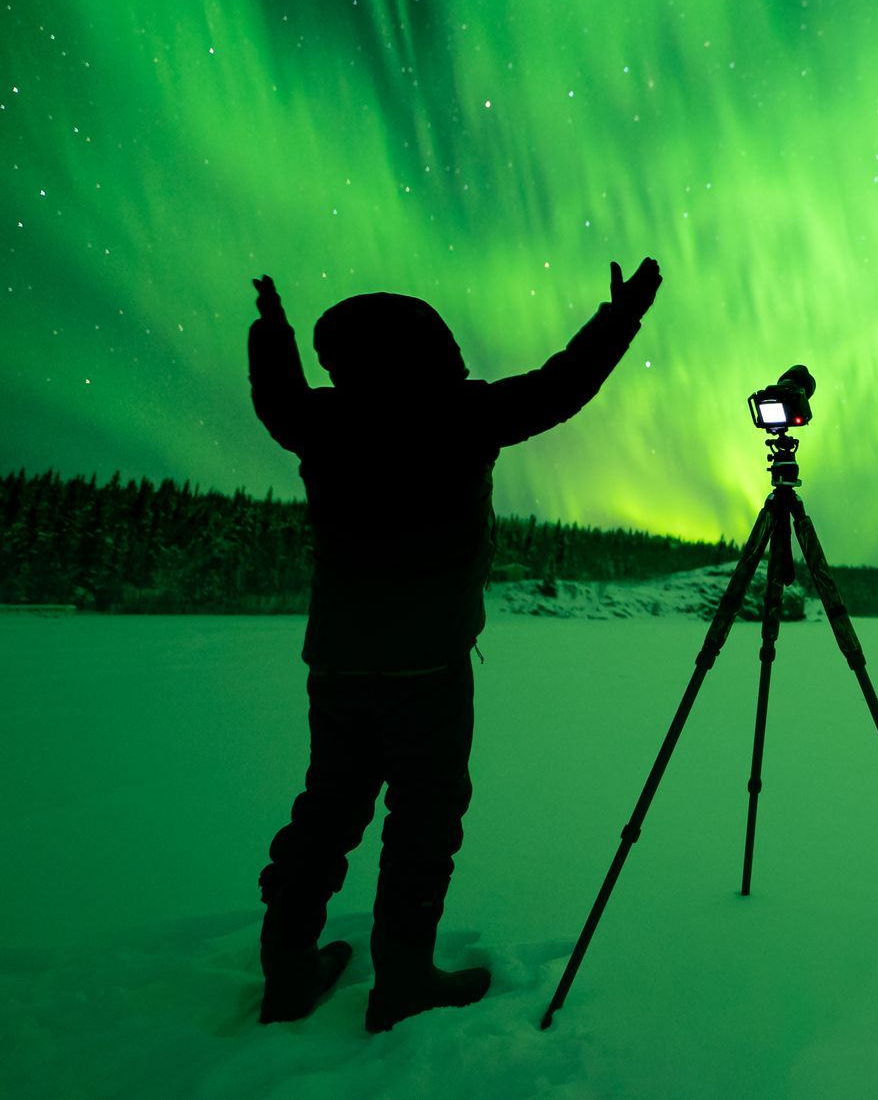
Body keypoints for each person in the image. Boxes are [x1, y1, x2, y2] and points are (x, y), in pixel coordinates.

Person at [247, 259, 663, 1031]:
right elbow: (563, 385)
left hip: (337, 663)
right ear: (429, 346)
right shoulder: (460, 415)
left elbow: (274, 397)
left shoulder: (321, 420)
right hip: (429, 668)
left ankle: (287, 974)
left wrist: (272, 333)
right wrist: (622, 316)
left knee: (326, 814)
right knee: (422, 824)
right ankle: (402, 981)